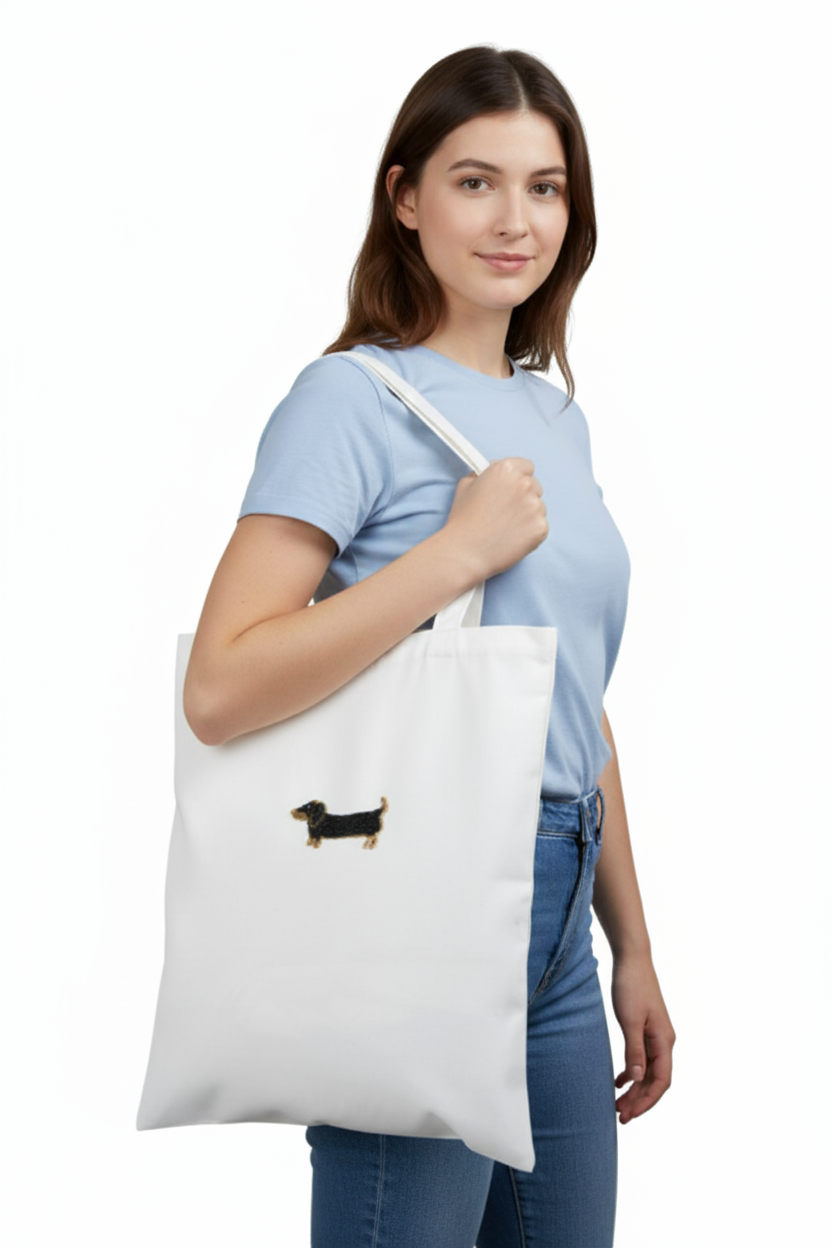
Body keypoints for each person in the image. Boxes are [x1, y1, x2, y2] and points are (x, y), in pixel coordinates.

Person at [183, 44, 676, 1248]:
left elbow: (570, 693)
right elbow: (223, 683)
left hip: (559, 913)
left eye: (545, 186)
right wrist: (452, 557)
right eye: (475, 182)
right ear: (405, 198)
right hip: (417, 897)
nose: (516, 220)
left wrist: (634, 945)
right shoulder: (346, 400)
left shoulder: (552, 411)